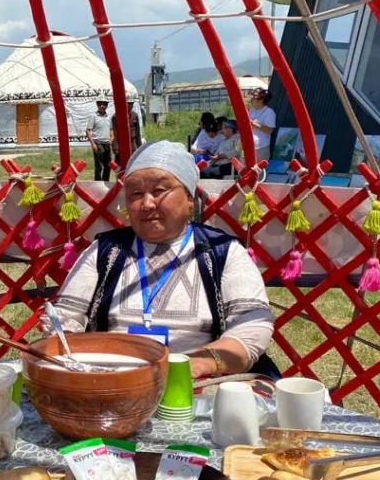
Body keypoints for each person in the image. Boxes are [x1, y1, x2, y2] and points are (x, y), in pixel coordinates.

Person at [43, 141, 277, 380]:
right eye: (135, 194)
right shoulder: (106, 251)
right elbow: (63, 318)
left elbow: (251, 328)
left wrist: (196, 365)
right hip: (112, 381)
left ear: (189, 197)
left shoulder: (222, 252)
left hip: (197, 383)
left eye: (159, 191)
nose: (147, 204)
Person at [87, 99, 114, 182]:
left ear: (106, 105)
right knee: (99, 166)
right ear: (97, 105)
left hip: (106, 143)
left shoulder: (108, 116)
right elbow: (88, 130)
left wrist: (112, 137)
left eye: (104, 104)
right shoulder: (93, 116)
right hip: (98, 143)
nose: (102, 106)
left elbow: (111, 129)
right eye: (100, 104)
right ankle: (97, 183)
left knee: (108, 165)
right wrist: (93, 144)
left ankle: (105, 182)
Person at [248, 87, 276, 163]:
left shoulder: (269, 112)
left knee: (259, 169)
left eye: (253, 98)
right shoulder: (251, 110)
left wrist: (253, 124)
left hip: (261, 147)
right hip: (249, 146)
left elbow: (269, 130)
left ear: (261, 100)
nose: (251, 100)